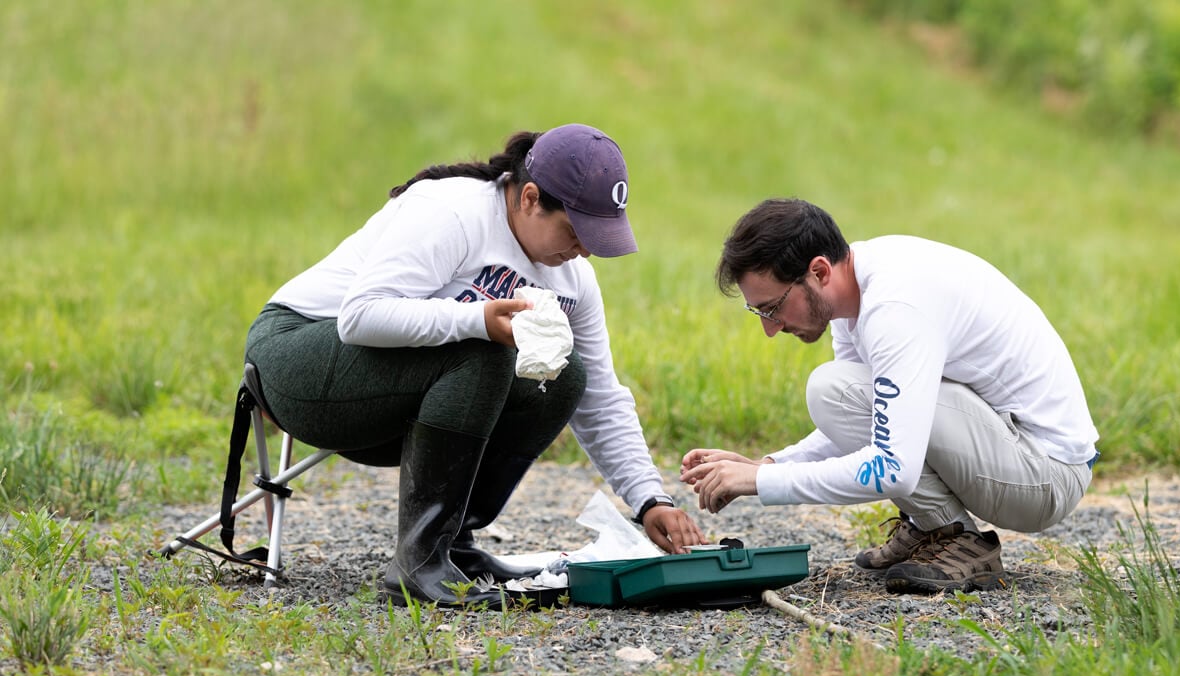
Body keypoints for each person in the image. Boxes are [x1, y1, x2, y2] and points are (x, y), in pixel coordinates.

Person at [244, 123, 706, 608]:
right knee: (485, 348)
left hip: (393, 396)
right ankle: (418, 563)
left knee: (564, 373)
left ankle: (452, 547)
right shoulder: (453, 213)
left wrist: (649, 499)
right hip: (296, 359)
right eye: (575, 231)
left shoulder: (575, 281)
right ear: (529, 198)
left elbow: (600, 396)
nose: (585, 250)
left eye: (597, 236)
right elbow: (360, 316)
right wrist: (477, 319)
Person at [680, 198, 1099, 594]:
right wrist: (770, 463)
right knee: (834, 392)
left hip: (1045, 476)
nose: (770, 329)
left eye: (772, 308)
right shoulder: (854, 290)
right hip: (1010, 451)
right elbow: (868, 415)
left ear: (819, 271)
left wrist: (762, 482)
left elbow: (893, 466)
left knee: (830, 389)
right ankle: (935, 526)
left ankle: (956, 537)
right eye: (759, 313)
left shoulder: (895, 307)